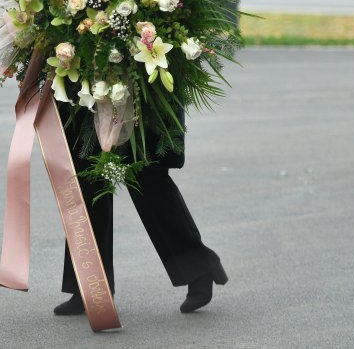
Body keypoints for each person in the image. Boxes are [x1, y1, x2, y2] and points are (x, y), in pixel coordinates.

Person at [52, 107, 228, 316]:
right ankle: (91, 286)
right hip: (78, 87)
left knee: (145, 172)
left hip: (139, 80)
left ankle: (197, 264)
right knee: (87, 176)